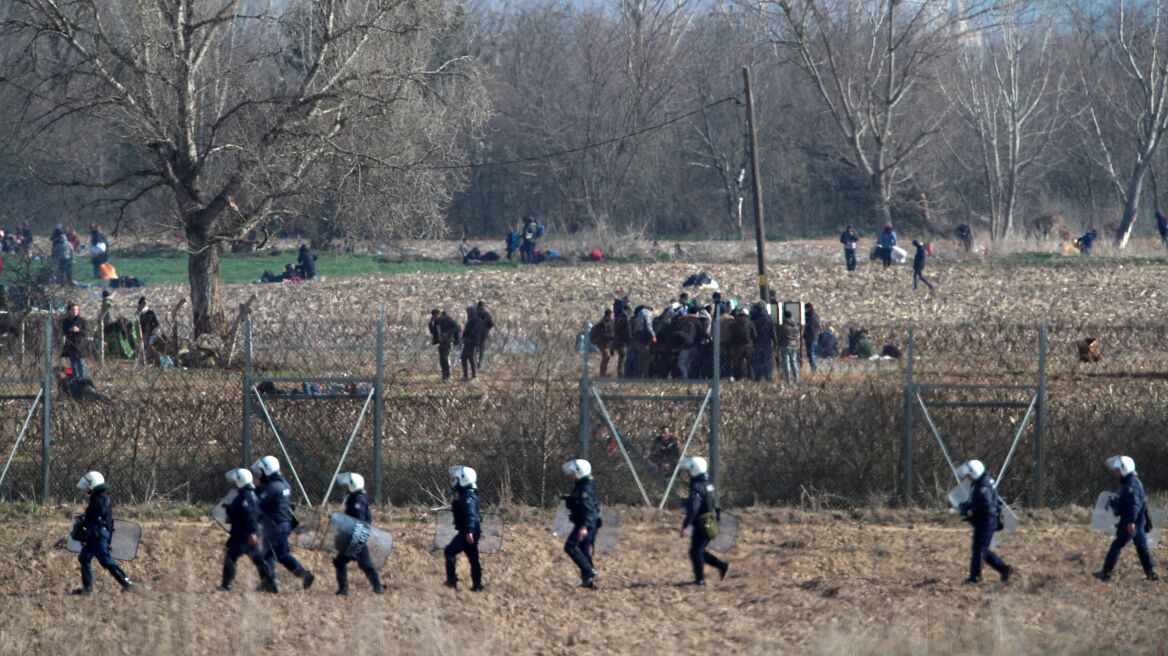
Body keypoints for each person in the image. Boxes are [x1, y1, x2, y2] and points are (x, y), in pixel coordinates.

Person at [251, 456, 316, 590]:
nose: (259, 475)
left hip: (275, 526)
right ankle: (303, 574)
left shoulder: (271, 487)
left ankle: (269, 582)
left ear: (267, 471)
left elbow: (257, 503)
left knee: (267, 554)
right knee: (281, 554)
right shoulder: (284, 484)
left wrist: (254, 489)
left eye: (260, 472)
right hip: (284, 523)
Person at [1095, 456, 1158, 582]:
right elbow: (1128, 502)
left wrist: (1131, 522)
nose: (1116, 471)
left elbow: (1134, 505)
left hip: (1132, 521)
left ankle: (1106, 573)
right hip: (1137, 521)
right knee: (1141, 547)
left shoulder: (1131, 484)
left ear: (1125, 469)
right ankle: (1151, 573)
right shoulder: (1129, 481)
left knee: (1117, 545)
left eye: (1118, 469)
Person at [73, 471, 134, 594]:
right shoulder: (96, 498)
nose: (85, 489)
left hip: (98, 535)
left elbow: (97, 520)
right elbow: (91, 517)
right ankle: (87, 588)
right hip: (93, 535)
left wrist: (86, 529)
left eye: (87, 486)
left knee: (106, 561)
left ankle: (127, 583)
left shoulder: (100, 500)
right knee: (84, 557)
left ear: (93, 484)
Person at [218, 468, 278, 593]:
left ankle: (226, 585)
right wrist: (230, 508)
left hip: (243, 535)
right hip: (246, 533)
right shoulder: (251, 494)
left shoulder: (245, 496)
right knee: (259, 559)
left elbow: (249, 514)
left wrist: (251, 531)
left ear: (240, 481)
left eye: (236, 481)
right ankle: (270, 583)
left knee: (231, 557)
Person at [956, 459, 1013, 584]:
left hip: (986, 520)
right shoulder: (982, 481)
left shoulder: (983, 485)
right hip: (985, 520)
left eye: (969, 476)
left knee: (980, 549)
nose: (968, 478)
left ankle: (978, 576)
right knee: (980, 549)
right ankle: (1000, 570)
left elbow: (986, 504)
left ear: (975, 473)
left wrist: (972, 510)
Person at [333, 472, 385, 595]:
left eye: (347, 485)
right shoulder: (358, 497)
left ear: (352, 486)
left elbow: (358, 521)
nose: (345, 487)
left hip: (355, 537)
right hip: (358, 537)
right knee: (365, 564)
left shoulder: (356, 500)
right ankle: (377, 586)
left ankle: (343, 590)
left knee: (340, 562)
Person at [679, 457, 728, 585]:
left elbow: (694, 508)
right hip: (711, 520)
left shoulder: (696, 487)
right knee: (698, 550)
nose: (688, 473)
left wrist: (686, 525)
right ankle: (721, 565)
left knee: (696, 551)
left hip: (703, 523)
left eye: (689, 470)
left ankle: (700, 579)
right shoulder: (708, 484)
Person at [561, 459, 600, 589]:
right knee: (583, 550)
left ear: (579, 472)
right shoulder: (581, 485)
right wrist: (569, 499)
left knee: (570, 546)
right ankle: (588, 581)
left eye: (573, 472)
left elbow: (587, 509)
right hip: (587, 523)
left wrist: (583, 527)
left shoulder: (584, 489)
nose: (571, 474)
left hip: (585, 524)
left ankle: (589, 570)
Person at [443, 465, 483, 591]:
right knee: (473, 559)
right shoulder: (469, 494)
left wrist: (470, 531)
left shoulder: (467, 497)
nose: (454, 482)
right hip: (471, 531)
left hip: (468, 532)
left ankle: (451, 582)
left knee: (449, 551)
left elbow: (471, 514)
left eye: (456, 479)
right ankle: (477, 586)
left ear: (463, 480)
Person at [429, 309, 461, 381]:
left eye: (436, 316)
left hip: (448, 341)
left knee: (445, 358)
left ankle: (448, 375)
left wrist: (448, 333)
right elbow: (433, 332)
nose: (435, 318)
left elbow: (456, 327)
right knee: (442, 359)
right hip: (441, 342)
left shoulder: (447, 319)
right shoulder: (436, 322)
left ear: (439, 314)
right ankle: (444, 375)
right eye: (434, 317)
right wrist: (430, 323)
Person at [62, 302, 87, 381]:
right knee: (73, 364)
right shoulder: (66, 320)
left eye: (76, 309)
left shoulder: (82, 320)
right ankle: (75, 379)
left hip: (80, 345)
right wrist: (70, 329)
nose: (75, 311)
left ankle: (82, 379)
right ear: (70, 311)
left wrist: (78, 330)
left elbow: (86, 332)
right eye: (73, 309)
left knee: (81, 363)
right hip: (70, 345)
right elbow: (64, 331)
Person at [590, 309, 616, 377]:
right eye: (610, 315)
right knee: (606, 357)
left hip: (608, 344)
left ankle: (603, 373)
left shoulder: (610, 322)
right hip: (603, 344)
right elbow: (603, 335)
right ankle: (602, 374)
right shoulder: (602, 324)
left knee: (607, 358)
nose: (612, 317)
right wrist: (612, 336)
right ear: (607, 316)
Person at [461, 306, 483, 381]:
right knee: (463, 358)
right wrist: (464, 338)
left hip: (473, 343)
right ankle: (465, 375)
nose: (468, 314)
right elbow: (465, 331)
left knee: (472, 359)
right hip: (467, 343)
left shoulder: (477, 321)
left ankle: (474, 376)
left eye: (469, 312)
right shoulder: (469, 321)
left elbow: (475, 332)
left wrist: (469, 338)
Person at [777, 310, 799, 385]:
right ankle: (796, 379)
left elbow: (780, 336)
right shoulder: (795, 325)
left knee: (786, 363)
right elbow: (798, 335)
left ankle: (788, 381)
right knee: (794, 362)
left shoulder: (784, 325)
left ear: (784, 316)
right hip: (794, 345)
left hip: (785, 345)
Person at [612, 299, 632, 378]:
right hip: (623, 342)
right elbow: (626, 332)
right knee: (623, 358)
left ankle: (621, 374)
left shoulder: (618, 318)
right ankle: (621, 375)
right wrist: (629, 338)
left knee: (622, 358)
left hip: (619, 341)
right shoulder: (624, 319)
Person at [802, 303, 821, 373]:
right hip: (815, 336)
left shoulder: (812, 317)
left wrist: (806, 335)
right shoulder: (816, 316)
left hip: (811, 338)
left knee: (811, 354)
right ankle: (814, 368)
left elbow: (810, 328)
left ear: (808, 308)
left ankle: (814, 369)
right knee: (812, 353)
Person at [475, 301, 494, 368]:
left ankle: (475, 362)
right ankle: (479, 362)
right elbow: (491, 324)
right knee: (481, 348)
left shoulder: (474, 312)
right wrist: (486, 330)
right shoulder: (486, 313)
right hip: (483, 333)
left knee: (475, 348)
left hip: (475, 333)